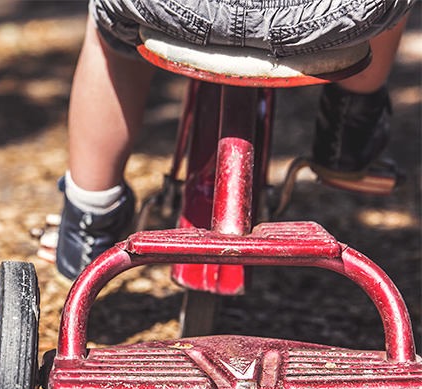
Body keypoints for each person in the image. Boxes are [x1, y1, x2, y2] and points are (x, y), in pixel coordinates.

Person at [55, 0, 415, 281]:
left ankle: (90, 213)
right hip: (329, 14)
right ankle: (348, 138)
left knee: (109, 30)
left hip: (172, 9)